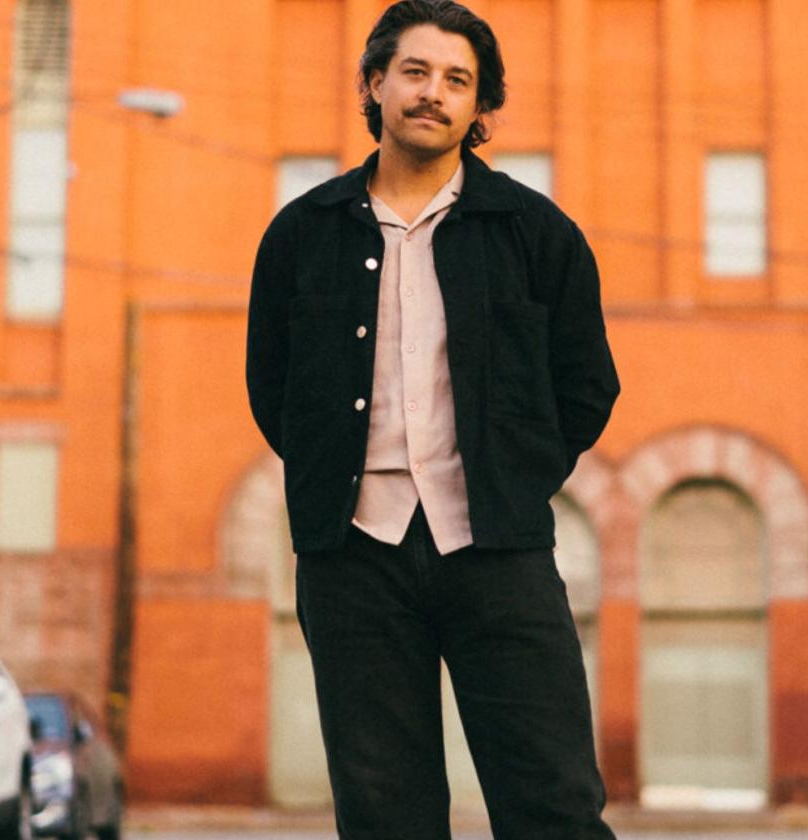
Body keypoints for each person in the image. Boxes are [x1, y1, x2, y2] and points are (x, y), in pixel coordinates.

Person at [244, 0, 620, 836]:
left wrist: (510, 479)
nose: (433, 93)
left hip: (499, 553)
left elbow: (586, 385)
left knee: (553, 801)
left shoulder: (536, 234)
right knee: (385, 813)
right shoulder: (302, 235)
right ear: (375, 83)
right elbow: (273, 390)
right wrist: (334, 479)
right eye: (414, 72)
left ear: (479, 109)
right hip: (354, 557)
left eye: (458, 81)